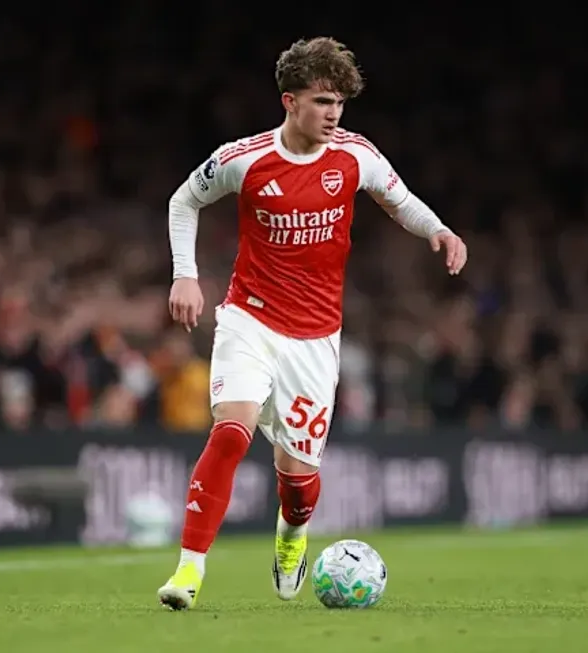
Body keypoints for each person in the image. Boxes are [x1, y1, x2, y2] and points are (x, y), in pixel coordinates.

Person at [158, 36, 467, 610]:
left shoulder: (356, 155)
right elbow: (183, 201)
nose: (333, 114)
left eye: (340, 103)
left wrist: (439, 230)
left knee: (298, 483)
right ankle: (188, 572)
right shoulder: (244, 159)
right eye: (323, 101)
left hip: (316, 338)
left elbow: (400, 201)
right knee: (230, 432)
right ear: (290, 101)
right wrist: (185, 275)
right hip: (249, 319)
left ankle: (291, 536)